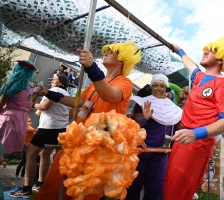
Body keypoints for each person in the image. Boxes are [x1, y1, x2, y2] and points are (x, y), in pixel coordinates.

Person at [31, 41, 141, 200]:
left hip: (101, 145)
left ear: (123, 59)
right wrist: (48, 92)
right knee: (56, 180)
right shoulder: (95, 84)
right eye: (107, 50)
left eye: (112, 51)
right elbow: (78, 102)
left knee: (86, 190)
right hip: (79, 137)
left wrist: (91, 68)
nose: (107, 52)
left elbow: (110, 95)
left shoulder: (125, 82)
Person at [163, 33, 224, 200]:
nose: (205, 51)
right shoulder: (199, 78)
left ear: (221, 58)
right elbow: (191, 65)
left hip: (196, 144)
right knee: (169, 189)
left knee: (175, 194)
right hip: (183, 140)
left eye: (212, 50)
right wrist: (179, 51)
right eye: (206, 49)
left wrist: (195, 134)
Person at [10, 74, 71, 198]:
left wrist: (33, 105)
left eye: (54, 78)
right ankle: (40, 183)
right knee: (44, 154)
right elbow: (69, 114)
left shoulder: (54, 91)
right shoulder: (67, 94)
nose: (52, 79)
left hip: (49, 127)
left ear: (60, 82)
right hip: (61, 127)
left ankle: (26, 188)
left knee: (30, 154)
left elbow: (44, 106)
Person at [125, 74, 182, 200]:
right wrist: (144, 119)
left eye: (162, 86)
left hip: (161, 154)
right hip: (141, 151)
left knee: (156, 189)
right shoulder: (142, 102)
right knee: (134, 185)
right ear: (151, 87)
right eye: (155, 85)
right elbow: (135, 124)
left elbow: (178, 129)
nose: (158, 88)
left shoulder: (174, 109)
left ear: (166, 88)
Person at [0, 60, 37, 154]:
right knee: (2, 151)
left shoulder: (14, 83)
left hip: (7, 118)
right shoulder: (33, 89)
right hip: (21, 120)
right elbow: (30, 107)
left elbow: (1, 103)